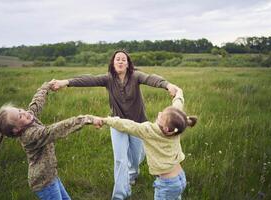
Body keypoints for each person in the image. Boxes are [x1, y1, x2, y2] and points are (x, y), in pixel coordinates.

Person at [51, 50, 180, 199]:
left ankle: (132, 174)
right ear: (113, 63)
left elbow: (150, 78)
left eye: (123, 59)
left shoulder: (135, 76)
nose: (120, 61)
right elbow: (88, 80)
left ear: (127, 64)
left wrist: (167, 85)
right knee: (120, 159)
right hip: (117, 123)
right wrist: (65, 82)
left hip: (137, 124)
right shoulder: (108, 79)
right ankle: (120, 194)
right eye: (117, 59)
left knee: (137, 157)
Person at [0, 81, 96, 200]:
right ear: (16, 129)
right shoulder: (30, 135)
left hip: (51, 176)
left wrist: (45, 87)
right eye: (20, 116)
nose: (24, 113)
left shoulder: (28, 117)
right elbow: (53, 130)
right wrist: (86, 119)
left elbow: (36, 103)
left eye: (20, 110)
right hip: (44, 184)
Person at [93, 88, 197, 200]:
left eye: (161, 117)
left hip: (166, 184)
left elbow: (127, 125)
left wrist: (105, 120)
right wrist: (178, 92)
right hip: (180, 177)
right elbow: (178, 103)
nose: (159, 113)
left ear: (166, 129)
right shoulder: (178, 124)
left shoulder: (149, 131)